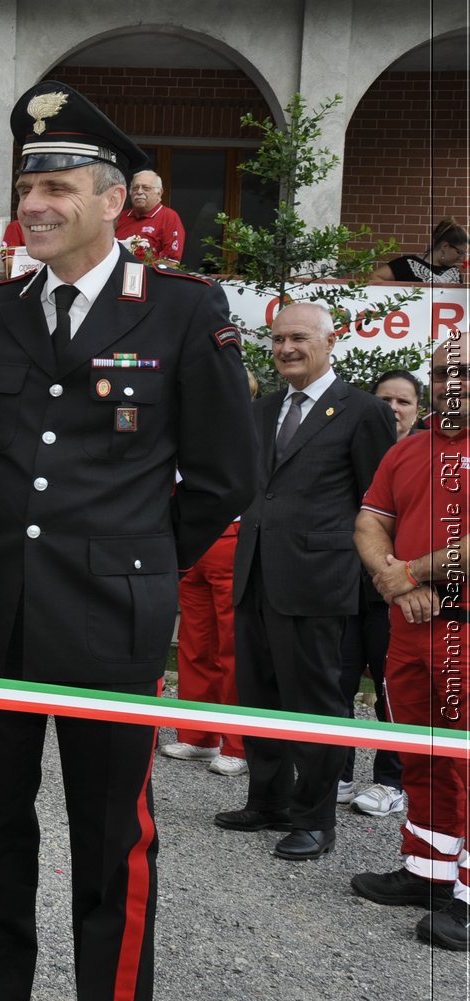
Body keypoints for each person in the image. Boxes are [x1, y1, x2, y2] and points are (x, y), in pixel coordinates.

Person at [0, 82, 256, 1001]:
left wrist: (137, 562)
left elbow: (222, 476)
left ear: (114, 201)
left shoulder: (179, 311)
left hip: (107, 619)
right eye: (27, 183)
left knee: (110, 846)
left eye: (58, 185)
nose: (33, 201)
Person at [214, 302, 395, 861]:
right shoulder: (264, 408)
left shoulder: (363, 411)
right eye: (276, 340)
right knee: (260, 694)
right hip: (256, 575)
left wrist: (377, 579)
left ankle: (315, 818)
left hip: (319, 581)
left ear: (330, 340)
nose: (286, 349)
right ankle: (267, 800)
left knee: (315, 703)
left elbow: (378, 503)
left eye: (298, 338)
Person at [351, 333, 470, 950]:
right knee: (421, 754)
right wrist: (395, 585)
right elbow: (371, 522)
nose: (454, 385)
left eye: (466, 374)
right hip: (411, 625)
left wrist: (412, 571)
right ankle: (428, 873)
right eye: (444, 375)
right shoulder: (412, 449)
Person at [162, 366, 260, 776]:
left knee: (232, 645)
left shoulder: (251, 429)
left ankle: (237, 742)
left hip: (234, 537)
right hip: (192, 541)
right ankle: (198, 735)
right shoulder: (187, 422)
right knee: (194, 641)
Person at [336, 369, 424, 815]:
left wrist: (403, 578)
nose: (393, 409)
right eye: (384, 399)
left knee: (393, 691)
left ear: (418, 410)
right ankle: (341, 772)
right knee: (339, 682)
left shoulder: (432, 456)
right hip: (348, 585)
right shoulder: (351, 443)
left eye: (403, 401)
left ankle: (391, 780)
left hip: (402, 592)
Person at [115, 170, 186, 265]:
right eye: (135, 188)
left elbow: (171, 262)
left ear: (159, 193)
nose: (139, 192)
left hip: (149, 278)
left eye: (146, 188)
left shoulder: (168, 217)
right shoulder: (119, 217)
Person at [371, 218, 466, 284]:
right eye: (460, 252)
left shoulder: (455, 272)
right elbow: (375, 277)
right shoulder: (406, 264)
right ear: (445, 246)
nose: (462, 259)